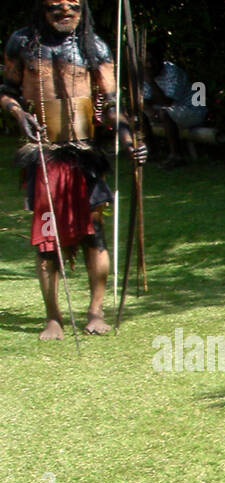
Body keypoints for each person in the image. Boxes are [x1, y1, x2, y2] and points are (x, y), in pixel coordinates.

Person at [0, 0, 147, 339]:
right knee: (46, 240)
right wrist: (19, 114)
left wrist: (128, 141)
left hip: (84, 152)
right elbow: (7, 90)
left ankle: (96, 312)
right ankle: (53, 317)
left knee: (93, 234)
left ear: (83, 10)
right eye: (55, 6)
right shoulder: (21, 43)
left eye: (73, 6)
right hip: (43, 151)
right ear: (41, 8)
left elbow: (112, 103)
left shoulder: (93, 46)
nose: (65, 12)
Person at [142, 45, 206, 169]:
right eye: (146, 61)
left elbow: (167, 102)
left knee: (164, 112)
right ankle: (153, 152)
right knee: (140, 113)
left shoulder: (172, 72)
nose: (149, 65)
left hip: (192, 111)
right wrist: (148, 109)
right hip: (171, 111)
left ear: (161, 59)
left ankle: (176, 156)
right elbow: (143, 100)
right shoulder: (145, 72)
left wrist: (150, 81)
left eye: (152, 60)